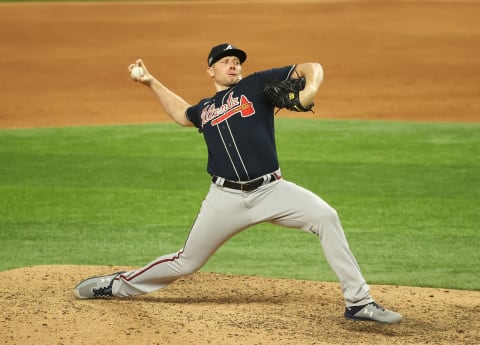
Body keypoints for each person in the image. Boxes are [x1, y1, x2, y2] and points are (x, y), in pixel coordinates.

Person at [74, 43, 403, 324]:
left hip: (272, 190)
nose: (233, 64)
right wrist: (149, 82)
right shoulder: (205, 109)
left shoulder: (258, 85)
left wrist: (310, 90)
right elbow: (181, 114)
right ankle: (116, 285)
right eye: (225, 60)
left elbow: (311, 66)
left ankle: (359, 302)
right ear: (211, 70)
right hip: (224, 199)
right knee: (187, 261)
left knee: (326, 217)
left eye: (237, 61)